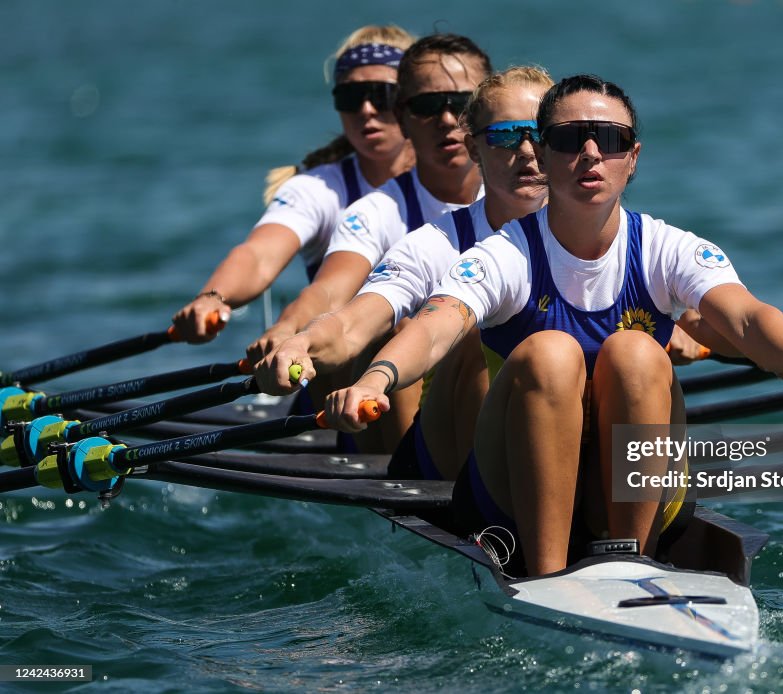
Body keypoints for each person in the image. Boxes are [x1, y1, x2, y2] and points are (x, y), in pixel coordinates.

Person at [322, 74, 783, 577]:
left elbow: (744, 314)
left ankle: (633, 564)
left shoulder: (668, 248)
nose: (590, 153)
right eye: (570, 139)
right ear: (544, 153)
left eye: (610, 138)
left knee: (635, 352)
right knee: (550, 353)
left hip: (637, 491)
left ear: (633, 158)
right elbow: (439, 322)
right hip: (513, 495)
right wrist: (379, 378)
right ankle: (547, 575)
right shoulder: (504, 254)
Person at [255, 66, 553, 480]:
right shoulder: (432, 241)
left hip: (560, 433)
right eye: (505, 135)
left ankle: (637, 516)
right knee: (477, 334)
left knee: (637, 357)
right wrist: (300, 341)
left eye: (540, 135)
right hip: (451, 442)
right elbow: (354, 321)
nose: (526, 151)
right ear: (474, 148)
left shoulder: (631, 238)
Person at [250, 33, 492, 450]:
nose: (449, 120)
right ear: (406, 115)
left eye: (464, 105)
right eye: (429, 105)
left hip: (511, 410)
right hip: (397, 406)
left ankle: (641, 485)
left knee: (630, 358)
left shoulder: (622, 231)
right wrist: (292, 334)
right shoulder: (389, 218)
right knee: (406, 327)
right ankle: (404, 473)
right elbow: (331, 295)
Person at [171, 24, 416, 345]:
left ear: (413, 100)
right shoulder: (317, 188)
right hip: (342, 374)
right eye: (351, 97)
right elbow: (259, 256)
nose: (366, 110)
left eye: (382, 95)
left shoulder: (461, 181)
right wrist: (214, 297)